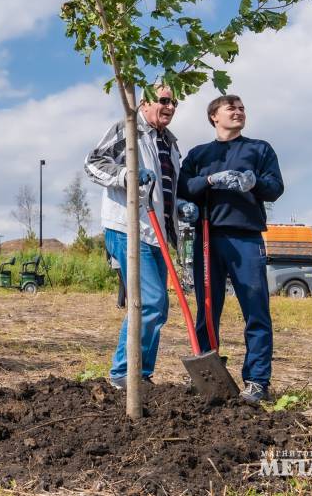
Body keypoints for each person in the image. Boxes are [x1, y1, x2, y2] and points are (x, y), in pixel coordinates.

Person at [178, 94, 284, 405]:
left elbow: (275, 188)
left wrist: (254, 183)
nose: (238, 112)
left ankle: (257, 380)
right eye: (231, 108)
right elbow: (184, 188)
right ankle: (209, 374)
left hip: (246, 237)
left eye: (242, 108)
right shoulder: (200, 154)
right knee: (207, 310)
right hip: (208, 237)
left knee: (256, 309)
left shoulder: (259, 149)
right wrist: (208, 180)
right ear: (214, 117)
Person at [85, 86, 191, 391]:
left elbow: (170, 191)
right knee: (151, 301)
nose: (170, 106)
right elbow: (92, 163)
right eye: (164, 100)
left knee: (159, 307)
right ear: (144, 102)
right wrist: (126, 174)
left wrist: (182, 207)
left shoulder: (170, 144)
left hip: (158, 233)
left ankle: (140, 375)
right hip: (127, 226)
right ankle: (123, 373)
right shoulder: (128, 130)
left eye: (175, 102)